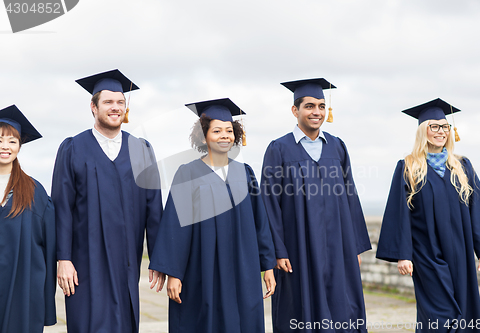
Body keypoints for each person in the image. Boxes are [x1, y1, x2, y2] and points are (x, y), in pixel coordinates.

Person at [149, 98, 276, 333]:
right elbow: (175, 225)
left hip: (242, 267)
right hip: (202, 267)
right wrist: (174, 273)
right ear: (203, 135)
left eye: (229, 130)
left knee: (244, 319)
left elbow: (261, 223)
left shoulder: (245, 173)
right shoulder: (188, 173)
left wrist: (268, 265)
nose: (224, 136)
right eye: (217, 130)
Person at [52, 69, 165, 333]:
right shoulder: (72, 148)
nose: (115, 108)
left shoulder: (141, 149)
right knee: (87, 321)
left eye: (120, 103)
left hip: (127, 256)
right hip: (83, 258)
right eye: (108, 102)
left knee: (124, 320)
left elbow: (154, 208)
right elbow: (62, 207)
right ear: (93, 107)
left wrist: (158, 258)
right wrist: (63, 258)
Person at [376, 98, 480, 333]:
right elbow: (398, 214)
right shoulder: (408, 167)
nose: (441, 132)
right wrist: (403, 255)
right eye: (434, 126)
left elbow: (478, 208)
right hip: (426, 255)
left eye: (445, 127)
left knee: (464, 312)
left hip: (461, 253)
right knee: (439, 313)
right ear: (423, 130)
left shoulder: (462, 167)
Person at [260, 78, 372, 333]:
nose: (317, 112)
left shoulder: (337, 146)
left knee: (342, 306)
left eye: (321, 106)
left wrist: (354, 245)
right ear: (295, 110)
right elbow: (269, 204)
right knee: (300, 307)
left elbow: (350, 196)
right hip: (297, 247)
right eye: (309, 106)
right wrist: (278, 250)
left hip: (338, 246)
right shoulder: (279, 149)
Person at [0, 105, 56, 333]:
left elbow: (50, 246)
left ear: (20, 147)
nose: (5, 146)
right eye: (0, 139)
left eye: (12, 141)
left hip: (22, 289)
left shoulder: (34, 191)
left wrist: (45, 298)